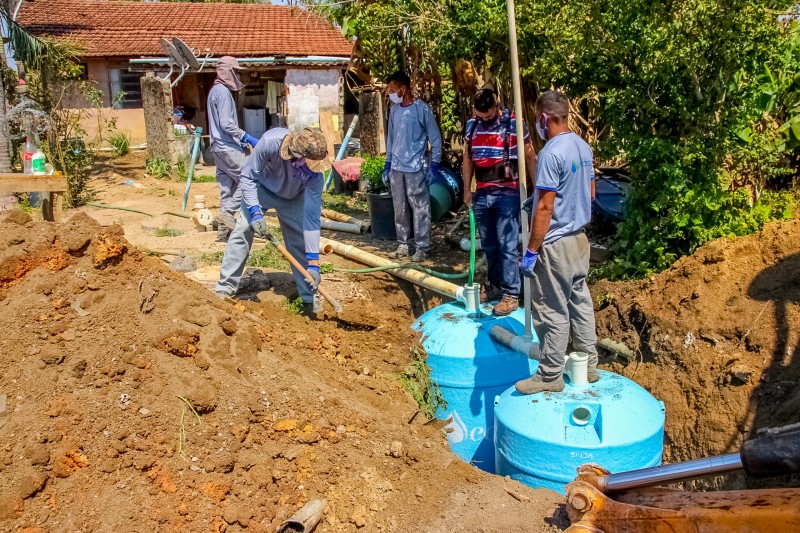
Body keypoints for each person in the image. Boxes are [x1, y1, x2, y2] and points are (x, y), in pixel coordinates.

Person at [515, 90, 599, 394]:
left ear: (543, 118)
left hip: (556, 243)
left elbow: (547, 207)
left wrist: (532, 250)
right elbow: (589, 193)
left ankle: (549, 375)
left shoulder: (552, 152)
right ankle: (589, 366)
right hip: (579, 240)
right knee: (580, 301)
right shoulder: (582, 147)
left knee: (552, 310)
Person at [215, 128, 330, 319]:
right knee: (242, 230)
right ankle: (224, 289)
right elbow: (248, 177)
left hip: (294, 196)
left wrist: (314, 264)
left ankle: (309, 299)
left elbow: (311, 220)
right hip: (261, 190)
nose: (312, 168)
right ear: (296, 155)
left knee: (299, 241)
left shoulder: (315, 176)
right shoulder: (270, 143)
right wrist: (255, 212)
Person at [462, 88, 537, 316]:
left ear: (497, 105)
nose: (485, 120)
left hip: (508, 192)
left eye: (488, 115)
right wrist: (467, 189)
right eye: (480, 115)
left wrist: (539, 190)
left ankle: (511, 294)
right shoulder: (471, 126)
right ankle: (494, 286)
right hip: (483, 193)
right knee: (490, 244)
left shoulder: (514, 124)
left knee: (507, 244)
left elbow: (530, 155)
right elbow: (468, 159)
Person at [382, 71, 443, 263]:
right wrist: (388, 163)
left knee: (420, 207)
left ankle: (422, 246)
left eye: (392, 90)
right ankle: (402, 243)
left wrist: (435, 164)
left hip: (416, 167)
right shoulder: (394, 110)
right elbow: (391, 138)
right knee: (399, 207)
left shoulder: (421, 109)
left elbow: (435, 138)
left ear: (403, 89)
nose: (390, 94)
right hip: (397, 167)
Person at [207, 56, 260, 242]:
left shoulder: (214, 91)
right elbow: (227, 124)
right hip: (227, 146)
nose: (237, 75)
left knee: (227, 188)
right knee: (250, 179)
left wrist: (243, 144)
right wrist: (247, 137)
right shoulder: (222, 92)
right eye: (235, 71)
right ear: (227, 72)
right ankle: (228, 213)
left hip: (218, 148)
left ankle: (223, 233)